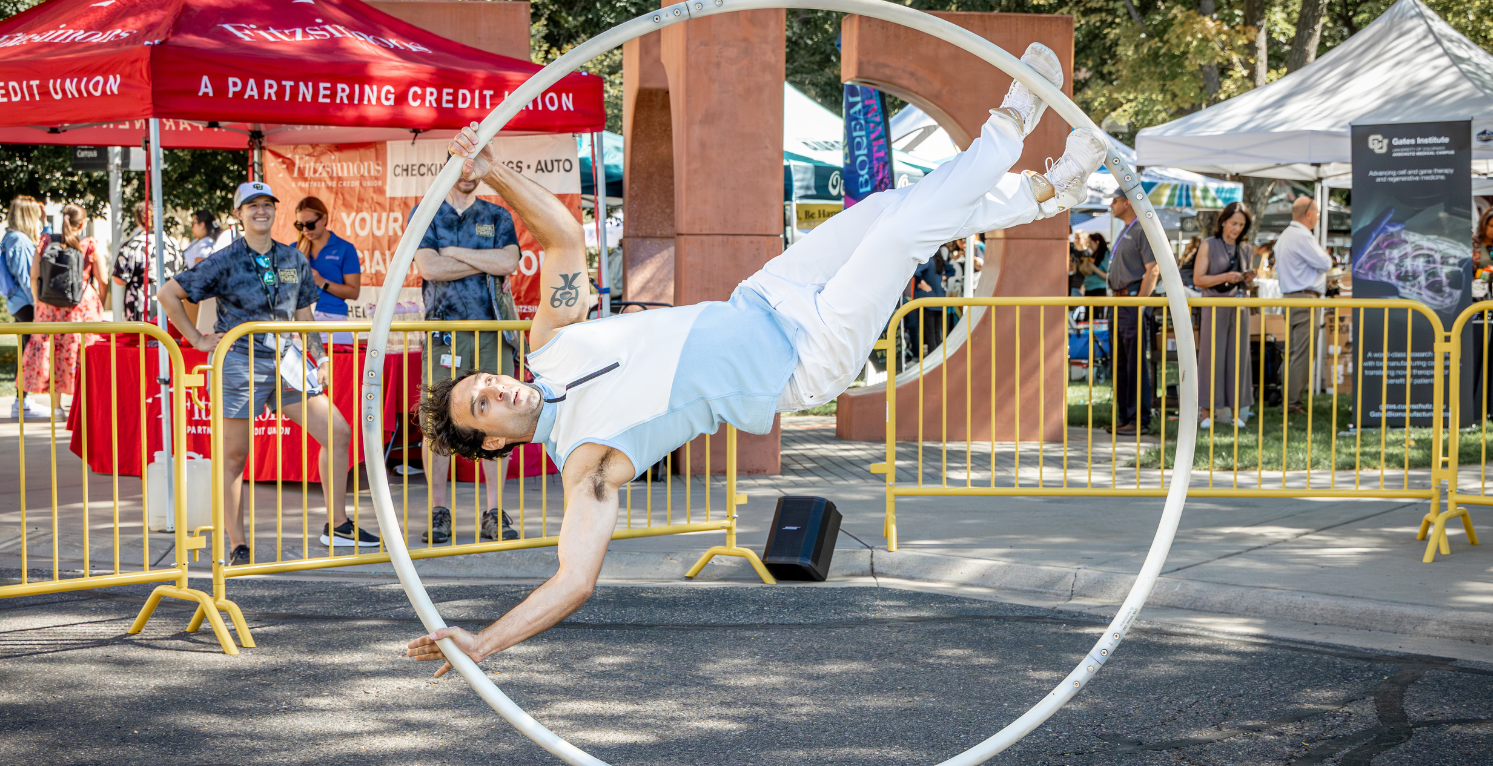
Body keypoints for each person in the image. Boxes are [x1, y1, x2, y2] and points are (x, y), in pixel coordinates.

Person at [404, 42, 1107, 671]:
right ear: (491, 442)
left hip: (764, 297)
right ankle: (1010, 123)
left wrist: (493, 170)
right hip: (804, 359)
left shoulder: (548, 346)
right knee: (902, 237)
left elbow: (562, 236)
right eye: (482, 404)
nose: (497, 388)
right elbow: (573, 581)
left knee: (887, 210)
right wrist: (483, 642)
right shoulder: (586, 466)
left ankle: (1048, 191)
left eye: (485, 380)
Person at [156, 181, 375, 567]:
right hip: (240, 363)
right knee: (234, 457)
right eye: (252, 205)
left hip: (288, 361)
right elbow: (167, 294)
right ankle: (237, 545)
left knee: (338, 432)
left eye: (267, 204)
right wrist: (197, 339)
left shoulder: (293, 258)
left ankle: (338, 525)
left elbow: (304, 314)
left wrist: (320, 358)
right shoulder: (222, 260)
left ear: (275, 210)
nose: (261, 210)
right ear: (238, 214)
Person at [411, 151, 523, 546]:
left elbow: (508, 261)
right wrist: (486, 262)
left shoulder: (497, 215)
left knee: (500, 420)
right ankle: (438, 511)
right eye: (462, 164)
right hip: (444, 334)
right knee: (437, 421)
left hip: (493, 331)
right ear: (448, 167)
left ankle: (494, 511)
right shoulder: (425, 213)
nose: (469, 172)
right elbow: (429, 268)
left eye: (476, 164)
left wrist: (455, 253)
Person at [19, 204, 108, 418]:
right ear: (83, 224)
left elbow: (34, 275)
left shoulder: (46, 242)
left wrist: (38, 303)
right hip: (81, 307)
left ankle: (57, 407)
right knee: (82, 355)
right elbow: (103, 279)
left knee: (55, 354)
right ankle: (83, 407)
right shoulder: (89, 245)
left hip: (49, 308)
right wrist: (100, 303)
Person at [1192, 202, 1255, 429]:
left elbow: (1247, 284)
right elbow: (1199, 279)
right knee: (1211, 358)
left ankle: (1237, 413)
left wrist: (1248, 280)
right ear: (1224, 221)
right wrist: (1226, 277)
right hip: (1214, 305)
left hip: (1239, 306)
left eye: (1241, 224)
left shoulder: (1246, 249)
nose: (1237, 228)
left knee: (1239, 357)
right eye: (1233, 223)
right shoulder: (1209, 244)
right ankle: (1206, 413)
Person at [1104, 188, 1160, 435]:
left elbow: (1153, 269)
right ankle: (1126, 417)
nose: (1111, 205)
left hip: (1131, 301)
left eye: (1115, 200)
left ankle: (1139, 419)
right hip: (1119, 302)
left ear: (1127, 203)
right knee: (1120, 362)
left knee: (1134, 362)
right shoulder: (1127, 230)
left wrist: (1140, 303)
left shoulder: (1142, 229)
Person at [1274, 196, 1332, 413]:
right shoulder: (1302, 236)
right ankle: (1291, 403)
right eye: (1317, 213)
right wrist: (1324, 256)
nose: (1318, 218)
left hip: (1291, 297)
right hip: (1305, 299)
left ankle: (1287, 398)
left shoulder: (1285, 236)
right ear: (1309, 214)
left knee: (1292, 352)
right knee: (1302, 353)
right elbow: (1325, 263)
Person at [0, 195, 51, 419]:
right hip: (27, 303)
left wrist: (46, 223)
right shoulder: (19, 241)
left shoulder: (12, 237)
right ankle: (21, 401)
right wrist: (38, 305)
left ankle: (22, 400)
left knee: (25, 350)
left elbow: (44, 243)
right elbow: (26, 277)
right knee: (28, 352)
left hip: (19, 303)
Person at [294, 196, 363, 321]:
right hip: (301, 315)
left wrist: (322, 282)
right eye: (300, 225)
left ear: (324, 219)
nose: (305, 230)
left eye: (310, 225)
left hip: (332, 316)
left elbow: (354, 293)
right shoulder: (294, 249)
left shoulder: (345, 248)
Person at [113, 205, 181, 323]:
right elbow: (182, 273)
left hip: (140, 304)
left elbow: (120, 279)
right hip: (169, 302)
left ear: (138, 220)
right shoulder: (173, 244)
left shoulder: (132, 245)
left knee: (140, 335)